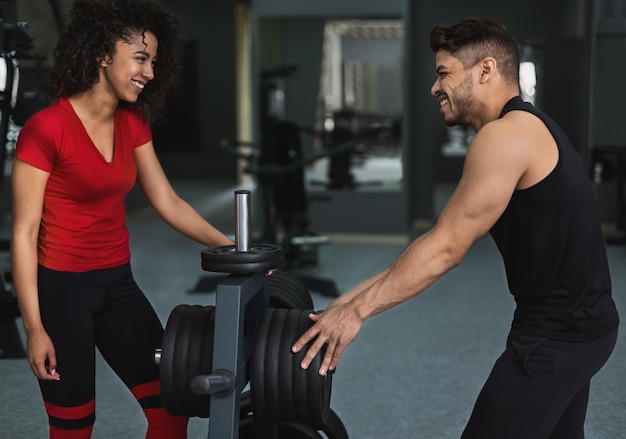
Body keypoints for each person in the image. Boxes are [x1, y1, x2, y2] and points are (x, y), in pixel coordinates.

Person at [292, 17, 619, 439]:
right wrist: (347, 301)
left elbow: (447, 249)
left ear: (485, 70)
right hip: (584, 328)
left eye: (443, 73)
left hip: (556, 337)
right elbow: (433, 242)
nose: (434, 87)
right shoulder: (530, 126)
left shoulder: (504, 138)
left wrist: (357, 314)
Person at [10, 0, 234, 437]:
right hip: (62, 292)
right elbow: (24, 232)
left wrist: (234, 247)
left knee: (172, 408)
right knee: (74, 428)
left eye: (154, 61)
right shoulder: (47, 128)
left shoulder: (132, 121)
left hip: (118, 285)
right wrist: (33, 328)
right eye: (141, 58)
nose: (149, 72)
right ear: (102, 55)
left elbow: (167, 202)